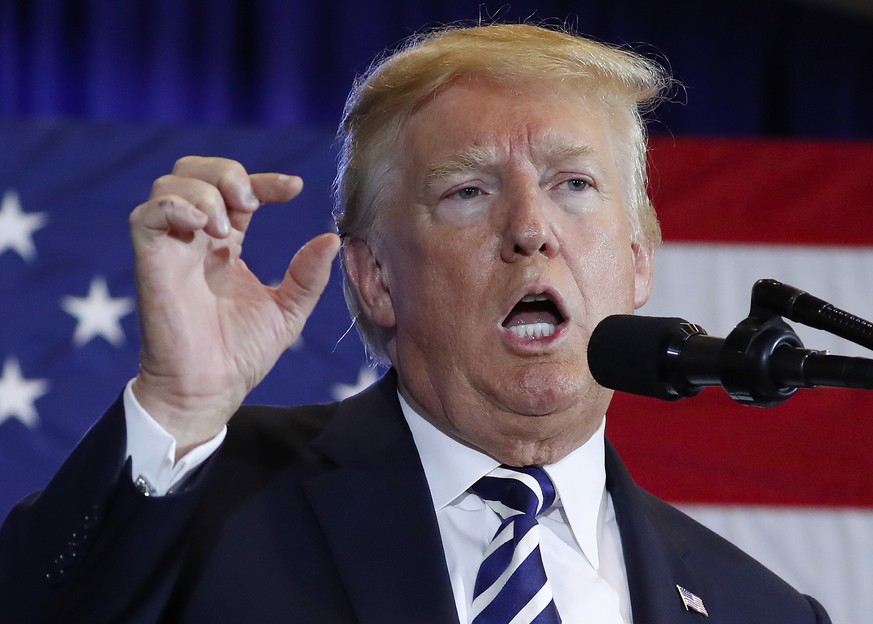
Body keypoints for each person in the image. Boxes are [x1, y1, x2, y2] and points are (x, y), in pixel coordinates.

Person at [0, 22, 831, 624]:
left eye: (573, 184)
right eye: (467, 191)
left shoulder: (760, 608)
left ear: (638, 259)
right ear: (374, 279)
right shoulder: (208, 506)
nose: (530, 227)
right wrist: (176, 405)